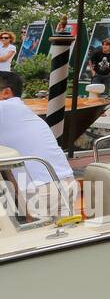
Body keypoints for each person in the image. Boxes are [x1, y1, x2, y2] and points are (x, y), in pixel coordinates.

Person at [0, 72, 75, 220]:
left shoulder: (4, 108)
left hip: (40, 188)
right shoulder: (22, 110)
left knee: (38, 237)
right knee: (63, 232)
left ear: (6, 92)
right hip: (65, 180)